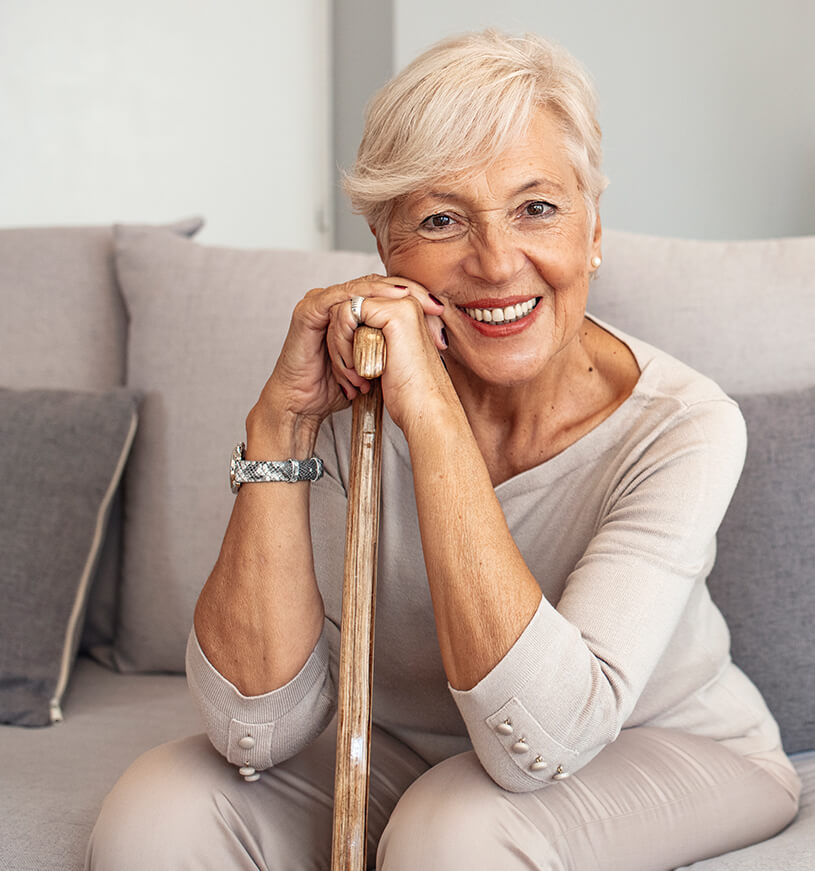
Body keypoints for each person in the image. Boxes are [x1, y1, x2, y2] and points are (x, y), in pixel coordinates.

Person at [86, 30, 801, 870]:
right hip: (407, 751)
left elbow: (541, 739)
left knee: (452, 830)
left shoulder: (681, 423)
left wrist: (430, 416)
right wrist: (280, 423)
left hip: (663, 747)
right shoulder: (345, 399)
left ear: (593, 229)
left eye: (535, 207)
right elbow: (255, 728)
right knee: (158, 808)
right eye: (441, 218)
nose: (497, 262)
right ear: (388, 253)